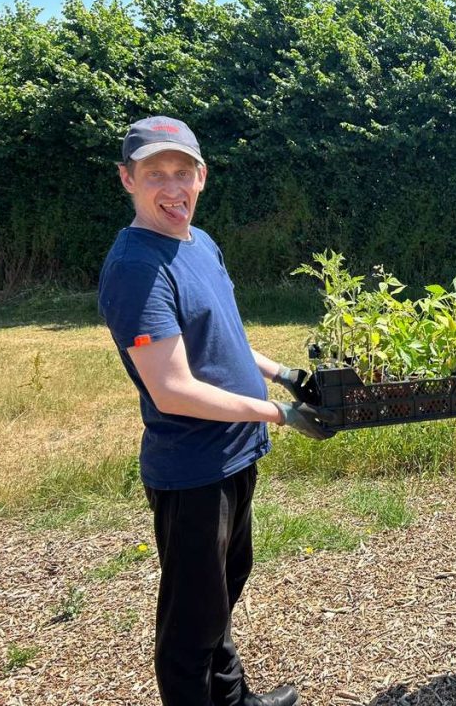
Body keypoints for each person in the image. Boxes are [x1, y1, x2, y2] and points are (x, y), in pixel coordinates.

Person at [98, 116, 333, 706]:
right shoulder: (136, 268)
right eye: (155, 173)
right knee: (190, 626)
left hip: (233, 454)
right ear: (127, 179)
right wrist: (279, 414)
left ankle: (234, 700)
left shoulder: (199, 244)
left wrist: (284, 374)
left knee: (221, 593)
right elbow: (172, 390)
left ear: (201, 176)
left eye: (182, 171)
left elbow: (223, 338)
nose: (172, 187)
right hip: (192, 470)